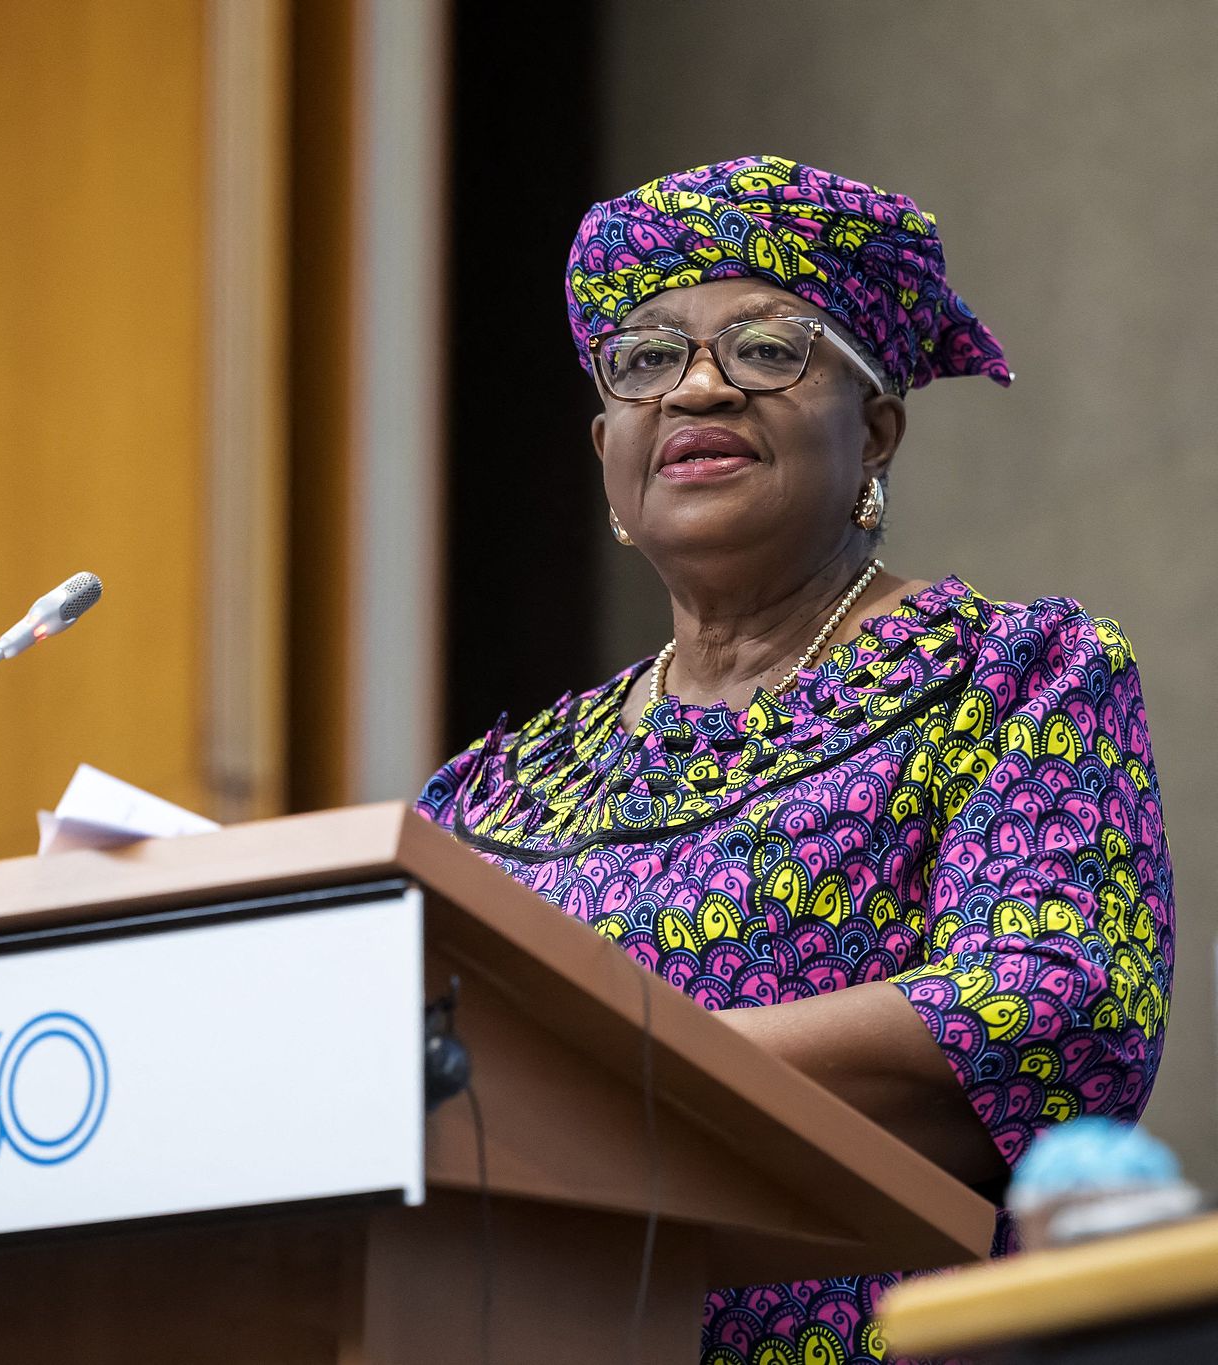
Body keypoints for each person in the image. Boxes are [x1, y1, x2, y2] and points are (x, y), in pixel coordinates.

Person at [416, 154, 1174, 1365]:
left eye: (768, 348)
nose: (699, 388)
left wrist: (609, 1066)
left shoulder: (1011, 674)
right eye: (645, 360)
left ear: (873, 429)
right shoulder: (494, 789)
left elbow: (1054, 1003)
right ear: (606, 445)